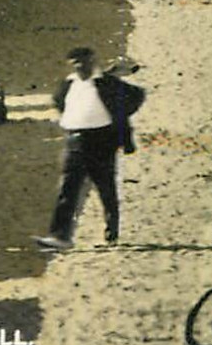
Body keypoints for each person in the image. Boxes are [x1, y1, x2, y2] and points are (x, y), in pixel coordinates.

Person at [35, 46, 144, 250]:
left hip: (101, 141)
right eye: (75, 63)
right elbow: (58, 101)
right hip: (75, 141)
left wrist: (120, 129)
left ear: (92, 61)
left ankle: (112, 234)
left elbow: (136, 96)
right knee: (68, 189)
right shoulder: (69, 84)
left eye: (83, 62)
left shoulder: (106, 83)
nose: (79, 66)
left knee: (106, 189)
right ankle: (60, 236)